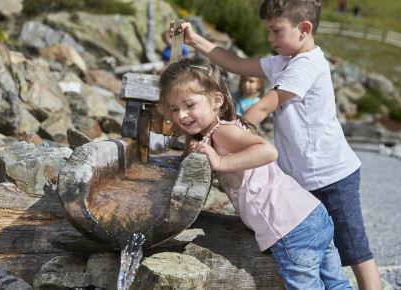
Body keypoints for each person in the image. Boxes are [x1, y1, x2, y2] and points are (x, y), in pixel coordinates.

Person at [170, 1, 383, 289]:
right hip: (302, 179)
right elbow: (235, 63)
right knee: (324, 262)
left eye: (275, 31)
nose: (269, 38)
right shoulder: (284, 61)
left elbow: (262, 107)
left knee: (355, 251)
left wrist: (226, 135)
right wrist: (196, 40)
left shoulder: (307, 65)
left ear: (304, 29)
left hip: (332, 173)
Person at [159, 57, 352, 289]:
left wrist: (218, 161)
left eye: (189, 105)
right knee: (337, 284)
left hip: (289, 227)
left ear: (216, 100)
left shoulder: (223, 132)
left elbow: (268, 151)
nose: (181, 115)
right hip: (310, 213)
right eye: (174, 108)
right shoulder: (220, 131)